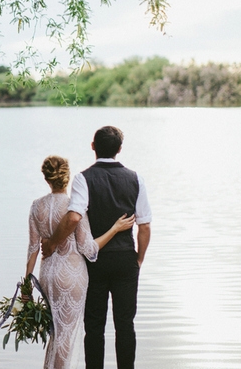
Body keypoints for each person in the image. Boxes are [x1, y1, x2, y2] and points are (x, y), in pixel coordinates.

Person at [41, 127, 152, 369]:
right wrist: (139, 259)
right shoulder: (136, 178)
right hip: (125, 260)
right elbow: (144, 226)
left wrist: (50, 243)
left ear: (93, 146)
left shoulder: (83, 178)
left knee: (94, 327)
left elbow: (73, 218)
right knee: (125, 325)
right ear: (119, 149)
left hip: (95, 262)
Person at [26, 155, 135, 369]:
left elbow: (32, 249)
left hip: (47, 274)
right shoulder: (74, 207)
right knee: (67, 336)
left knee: (56, 334)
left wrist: (26, 285)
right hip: (72, 275)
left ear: (46, 178)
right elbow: (88, 248)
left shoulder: (36, 206)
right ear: (66, 177)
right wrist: (115, 228)